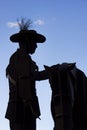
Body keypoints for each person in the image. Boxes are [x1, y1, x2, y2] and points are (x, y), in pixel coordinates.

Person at [5, 18, 48, 130]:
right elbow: (24, 82)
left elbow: (33, 76)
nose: (36, 46)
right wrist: (29, 106)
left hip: (20, 111)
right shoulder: (22, 58)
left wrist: (51, 72)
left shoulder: (19, 58)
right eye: (34, 42)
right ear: (27, 41)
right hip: (22, 112)